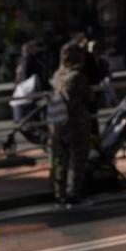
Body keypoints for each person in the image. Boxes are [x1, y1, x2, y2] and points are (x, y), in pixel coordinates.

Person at [49, 41, 92, 207]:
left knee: (61, 159)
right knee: (77, 160)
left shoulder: (57, 76)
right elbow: (89, 97)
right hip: (77, 124)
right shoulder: (77, 77)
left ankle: (60, 195)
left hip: (59, 125)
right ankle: (74, 194)